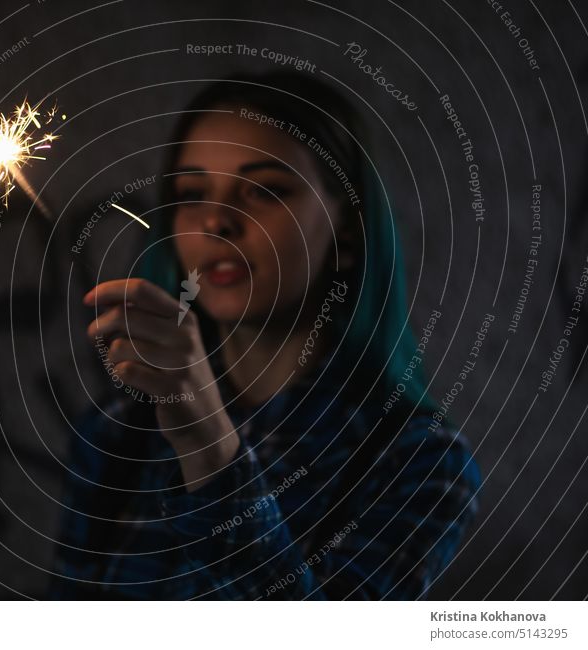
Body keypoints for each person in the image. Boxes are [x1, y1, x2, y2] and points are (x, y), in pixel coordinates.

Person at [49, 71, 480, 599]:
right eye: (192, 193)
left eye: (264, 191)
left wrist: (209, 448)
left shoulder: (416, 461)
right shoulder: (116, 430)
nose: (217, 222)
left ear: (346, 224)